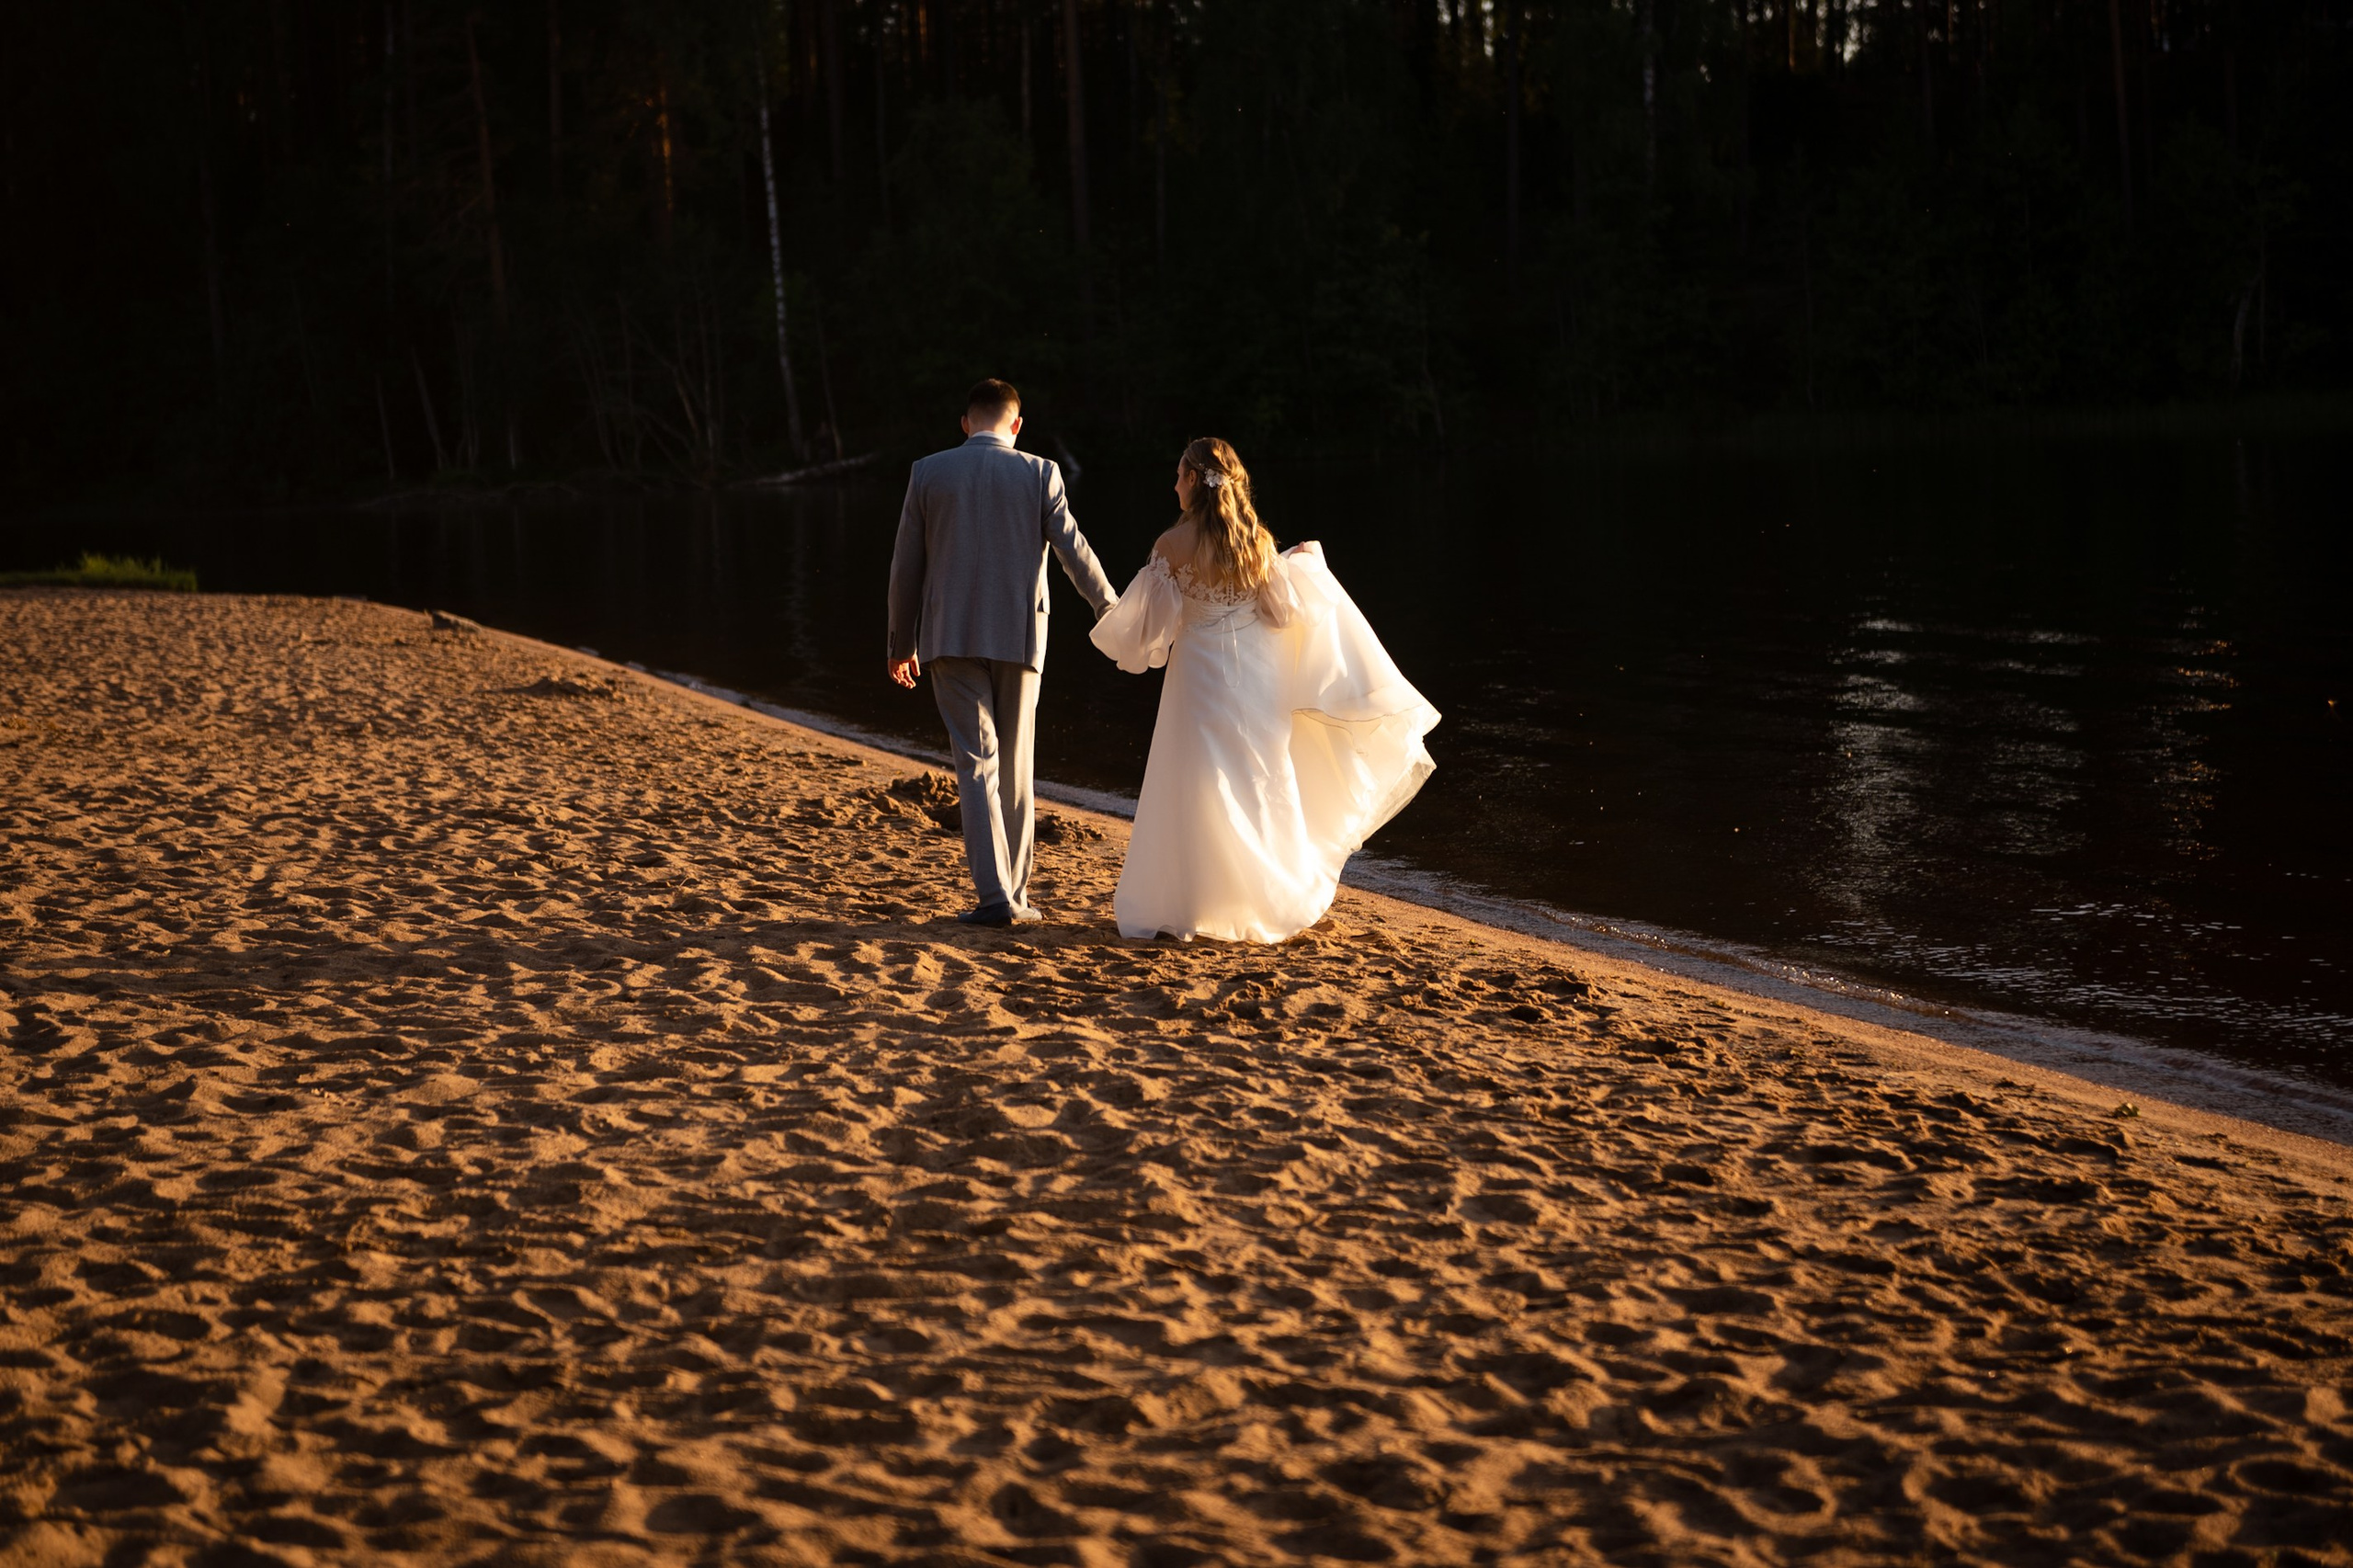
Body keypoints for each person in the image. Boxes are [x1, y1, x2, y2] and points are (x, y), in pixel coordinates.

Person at [1088, 437, 1439, 942]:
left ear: (1195, 482)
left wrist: (1119, 617)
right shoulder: (1256, 542)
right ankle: (1263, 896)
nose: (1174, 485)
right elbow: (1281, 614)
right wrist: (1290, 567)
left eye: (1180, 476)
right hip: (1256, 678)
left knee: (1196, 779)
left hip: (1199, 678)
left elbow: (1152, 635)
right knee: (1258, 776)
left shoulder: (1171, 545)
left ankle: (1190, 904)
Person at [886, 379, 1119, 926]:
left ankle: (995, 899)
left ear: (966, 423)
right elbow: (1074, 550)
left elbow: (905, 567)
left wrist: (901, 642)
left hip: (948, 638)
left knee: (975, 763)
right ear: (1017, 425)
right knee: (1016, 767)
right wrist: (1112, 610)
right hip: (1019, 639)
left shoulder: (927, 472)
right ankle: (1014, 895)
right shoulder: (1040, 472)